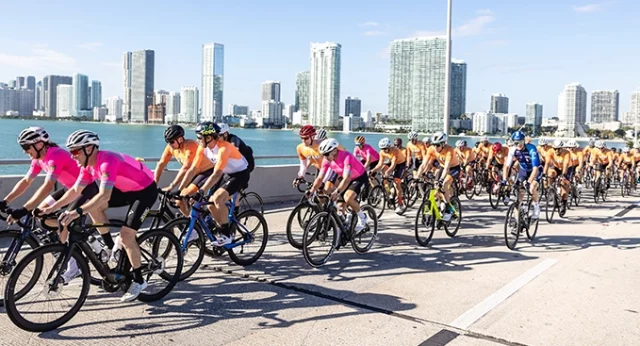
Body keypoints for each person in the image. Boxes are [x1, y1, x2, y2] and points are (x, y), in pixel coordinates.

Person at [41, 130, 158, 302]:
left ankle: (139, 280)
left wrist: (77, 212)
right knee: (94, 207)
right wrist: (52, 208)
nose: (72, 156)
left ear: (89, 149)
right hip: (125, 190)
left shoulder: (106, 162)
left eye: (75, 151)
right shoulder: (87, 166)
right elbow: (75, 191)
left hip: (145, 191)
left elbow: (104, 196)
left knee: (127, 236)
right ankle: (110, 245)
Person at [1, 127, 89, 228]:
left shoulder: (55, 156)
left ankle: (69, 239)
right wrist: (6, 201)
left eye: (26, 147)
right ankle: (68, 236)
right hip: (69, 189)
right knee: (39, 213)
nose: (24, 151)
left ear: (39, 144)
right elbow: (26, 181)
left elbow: (48, 185)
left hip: (85, 190)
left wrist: (24, 209)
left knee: (64, 221)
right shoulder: (37, 159)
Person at [187, 122, 250, 247]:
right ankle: (222, 228)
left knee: (217, 199)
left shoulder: (224, 148)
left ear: (209, 137)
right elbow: (193, 169)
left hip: (240, 173)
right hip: (227, 173)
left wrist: (201, 190)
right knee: (210, 204)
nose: (197, 140)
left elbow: (216, 174)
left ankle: (227, 235)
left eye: (199, 137)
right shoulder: (203, 148)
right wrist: (182, 189)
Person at [308, 138, 369, 232]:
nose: (325, 157)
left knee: (348, 198)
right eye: (323, 154)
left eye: (327, 154)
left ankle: (362, 217)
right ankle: (342, 231)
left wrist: (337, 191)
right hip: (345, 179)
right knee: (340, 207)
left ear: (335, 150)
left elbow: (347, 178)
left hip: (359, 177)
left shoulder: (346, 156)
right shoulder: (326, 160)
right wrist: (312, 190)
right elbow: (320, 178)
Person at [156, 125, 214, 216]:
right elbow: (161, 164)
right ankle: (191, 223)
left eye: (171, 142)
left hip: (207, 172)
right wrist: (153, 184)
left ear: (180, 139)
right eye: (168, 142)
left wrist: (171, 186)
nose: (170, 145)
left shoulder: (190, 145)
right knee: (179, 201)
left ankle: (196, 225)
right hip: (193, 174)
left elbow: (186, 167)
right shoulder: (171, 148)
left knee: (185, 194)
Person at [503, 131, 542, 219]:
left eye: (521, 142)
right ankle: (518, 221)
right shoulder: (513, 149)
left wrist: (528, 182)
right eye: (516, 143)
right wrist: (504, 180)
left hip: (535, 170)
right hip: (524, 170)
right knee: (519, 196)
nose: (519, 145)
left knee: (532, 188)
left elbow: (535, 168)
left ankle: (536, 206)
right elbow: (507, 166)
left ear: (524, 141)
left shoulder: (531, 148)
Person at [371, 137, 407, 214]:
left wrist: (388, 172)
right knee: (383, 170)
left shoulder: (395, 150)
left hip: (400, 164)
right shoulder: (382, 152)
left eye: (385, 148)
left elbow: (393, 165)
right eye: (382, 149)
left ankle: (400, 204)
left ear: (389, 146)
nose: (384, 150)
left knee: (396, 183)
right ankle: (389, 193)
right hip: (391, 162)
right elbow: (380, 164)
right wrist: (372, 170)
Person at [544, 139, 572, 214]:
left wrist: (563, 175)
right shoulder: (550, 151)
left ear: (562, 148)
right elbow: (547, 163)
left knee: (563, 184)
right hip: (556, 167)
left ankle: (563, 203)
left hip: (566, 168)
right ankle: (551, 190)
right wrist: (544, 174)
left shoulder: (567, 153)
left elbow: (565, 165)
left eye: (558, 149)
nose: (556, 151)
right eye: (555, 149)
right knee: (550, 174)